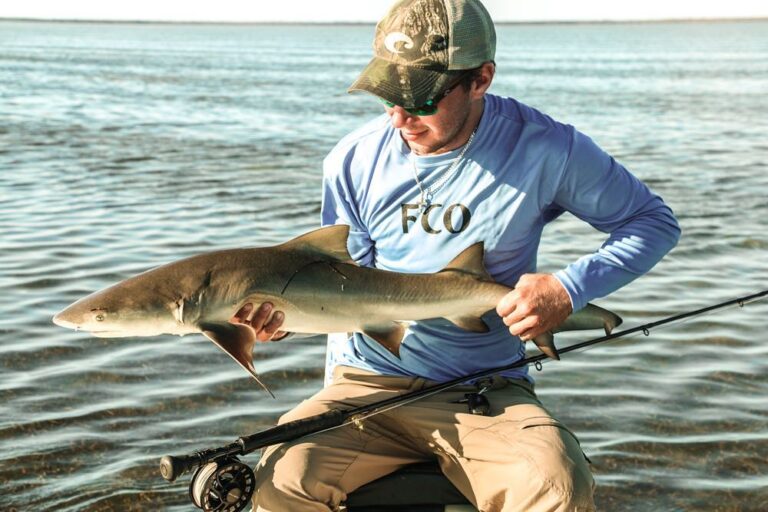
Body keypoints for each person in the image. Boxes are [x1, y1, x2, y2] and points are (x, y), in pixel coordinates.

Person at [234, 0, 681, 510]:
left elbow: (652, 223)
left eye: (421, 100)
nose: (400, 119)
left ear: (481, 79)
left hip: (482, 390)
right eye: (386, 97)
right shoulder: (352, 159)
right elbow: (342, 279)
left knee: (557, 486)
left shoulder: (546, 148)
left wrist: (567, 289)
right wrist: (286, 319)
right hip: (366, 384)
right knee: (278, 480)